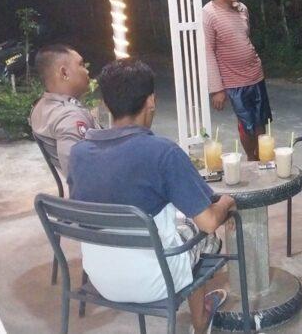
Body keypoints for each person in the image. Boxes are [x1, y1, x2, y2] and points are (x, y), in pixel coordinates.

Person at [68, 58, 234, 334]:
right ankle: (201, 319)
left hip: (101, 278)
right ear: (151, 101)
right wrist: (227, 202)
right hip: (159, 280)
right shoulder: (162, 152)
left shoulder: (79, 153)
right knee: (206, 233)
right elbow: (208, 222)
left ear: (106, 104)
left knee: (171, 221)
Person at [203, 0, 272, 161]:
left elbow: (244, 37)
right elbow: (208, 51)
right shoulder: (208, 13)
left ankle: (263, 160)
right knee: (246, 124)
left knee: (261, 121)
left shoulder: (242, 9)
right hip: (234, 81)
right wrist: (217, 89)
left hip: (255, 75)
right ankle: (251, 159)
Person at [29, 44, 98, 179]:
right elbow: (80, 176)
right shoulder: (69, 118)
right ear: (64, 73)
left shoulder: (41, 106)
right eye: (81, 65)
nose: (87, 71)